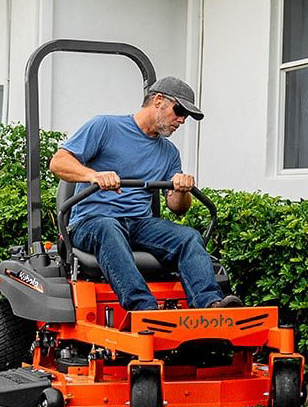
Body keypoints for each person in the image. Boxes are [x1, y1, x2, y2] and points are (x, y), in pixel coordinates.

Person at [49, 76, 243, 313]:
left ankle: (210, 304)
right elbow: (58, 162)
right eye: (179, 110)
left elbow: (177, 207)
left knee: (189, 237)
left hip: (139, 224)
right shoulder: (105, 127)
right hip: (92, 222)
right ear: (158, 100)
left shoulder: (169, 153)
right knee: (109, 228)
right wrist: (93, 176)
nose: (182, 120)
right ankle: (144, 310)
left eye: (186, 116)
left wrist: (181, 189)